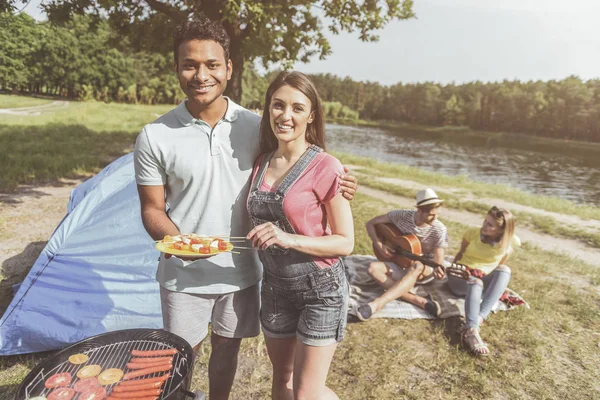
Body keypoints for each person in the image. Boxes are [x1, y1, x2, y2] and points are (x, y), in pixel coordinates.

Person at [133, 19, 357, 400]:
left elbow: (302, 159)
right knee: (181, 358)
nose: (201, 75)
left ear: (229, 69)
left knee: (228, 351)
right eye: (189, 65)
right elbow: (152, 209)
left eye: (212, 65)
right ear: (176, 68)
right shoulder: (154, 135)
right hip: (182, 275)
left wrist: (342, 181)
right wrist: (183, 244)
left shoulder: (257, 126)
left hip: (244, 274)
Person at [246, 71, 354, 400]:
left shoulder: (328, 166)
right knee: (282, 383)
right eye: (278, 106)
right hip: (276, 288)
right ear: (268, 110)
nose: (286, 115)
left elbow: (345, 242)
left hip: (320, 290)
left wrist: (288, 238)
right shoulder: (261, 161)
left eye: (297, 108)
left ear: (311, 116)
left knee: (307, 393)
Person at [355, 188, 449, 321]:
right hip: (400, 263)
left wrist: (438, 272)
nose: (435, 218)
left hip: (423, 270)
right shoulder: (401, 216)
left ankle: (375, 305)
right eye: (431, 215)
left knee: (417, 265)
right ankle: (417, 300)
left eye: (437, 214)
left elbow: (438, 264)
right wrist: (379, 244)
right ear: (419, 210)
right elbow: (370, 223)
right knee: (372, 268)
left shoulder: (439, 230)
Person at [448, 206, 520, 356]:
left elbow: (500, 262)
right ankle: (472, 331)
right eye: (485, 221)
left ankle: (479, 318)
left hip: (482, 278)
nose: (484, 226)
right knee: (476, 282)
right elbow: (460, 254)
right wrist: (452, 270)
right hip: (461, 277)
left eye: (490, 224)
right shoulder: (472, 233)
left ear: (502, 230)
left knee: (505, 270)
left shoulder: (512, 241)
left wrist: (490, 278)